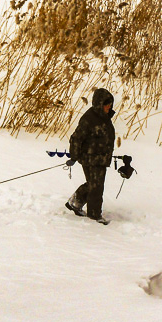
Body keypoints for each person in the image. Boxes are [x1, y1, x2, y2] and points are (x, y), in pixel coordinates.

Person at [65, 87, 116, 225]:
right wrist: (74, 156)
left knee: (93, 184)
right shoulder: (89, 119)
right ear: (99, 104)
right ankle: (94, 215)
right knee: (96, 187)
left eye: (110, 104)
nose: (109, 107)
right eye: (106, 104)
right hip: (90, 159)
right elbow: (76, 138)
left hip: (101, 159)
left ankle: (75, 202)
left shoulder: (105, 118)